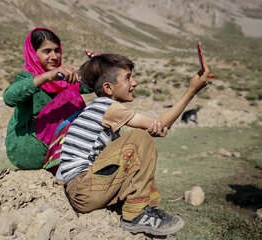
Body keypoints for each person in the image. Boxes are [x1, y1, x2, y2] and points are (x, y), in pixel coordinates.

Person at [60, 53, 211, 236]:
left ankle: (145, 209)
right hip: (83, 189)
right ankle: (137, 215)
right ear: (108, 88)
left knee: (137, 147)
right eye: (128, 78)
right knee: (140, 137)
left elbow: (159, 128)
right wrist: (191, 91)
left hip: (86, 190)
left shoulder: (102, 108)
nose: (135, 83)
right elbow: (159, 126)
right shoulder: (108, 108)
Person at [3, 27, 99, 171]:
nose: (54, 57)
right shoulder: (27, 77)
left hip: (52, 147)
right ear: (33, 54)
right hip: (28, 147)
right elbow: (9, 98)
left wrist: (99, 65)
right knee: (70, 97)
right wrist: (46, 77)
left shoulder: (63, 77)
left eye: (57, 50)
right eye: (46, 51)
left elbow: (89, 86)